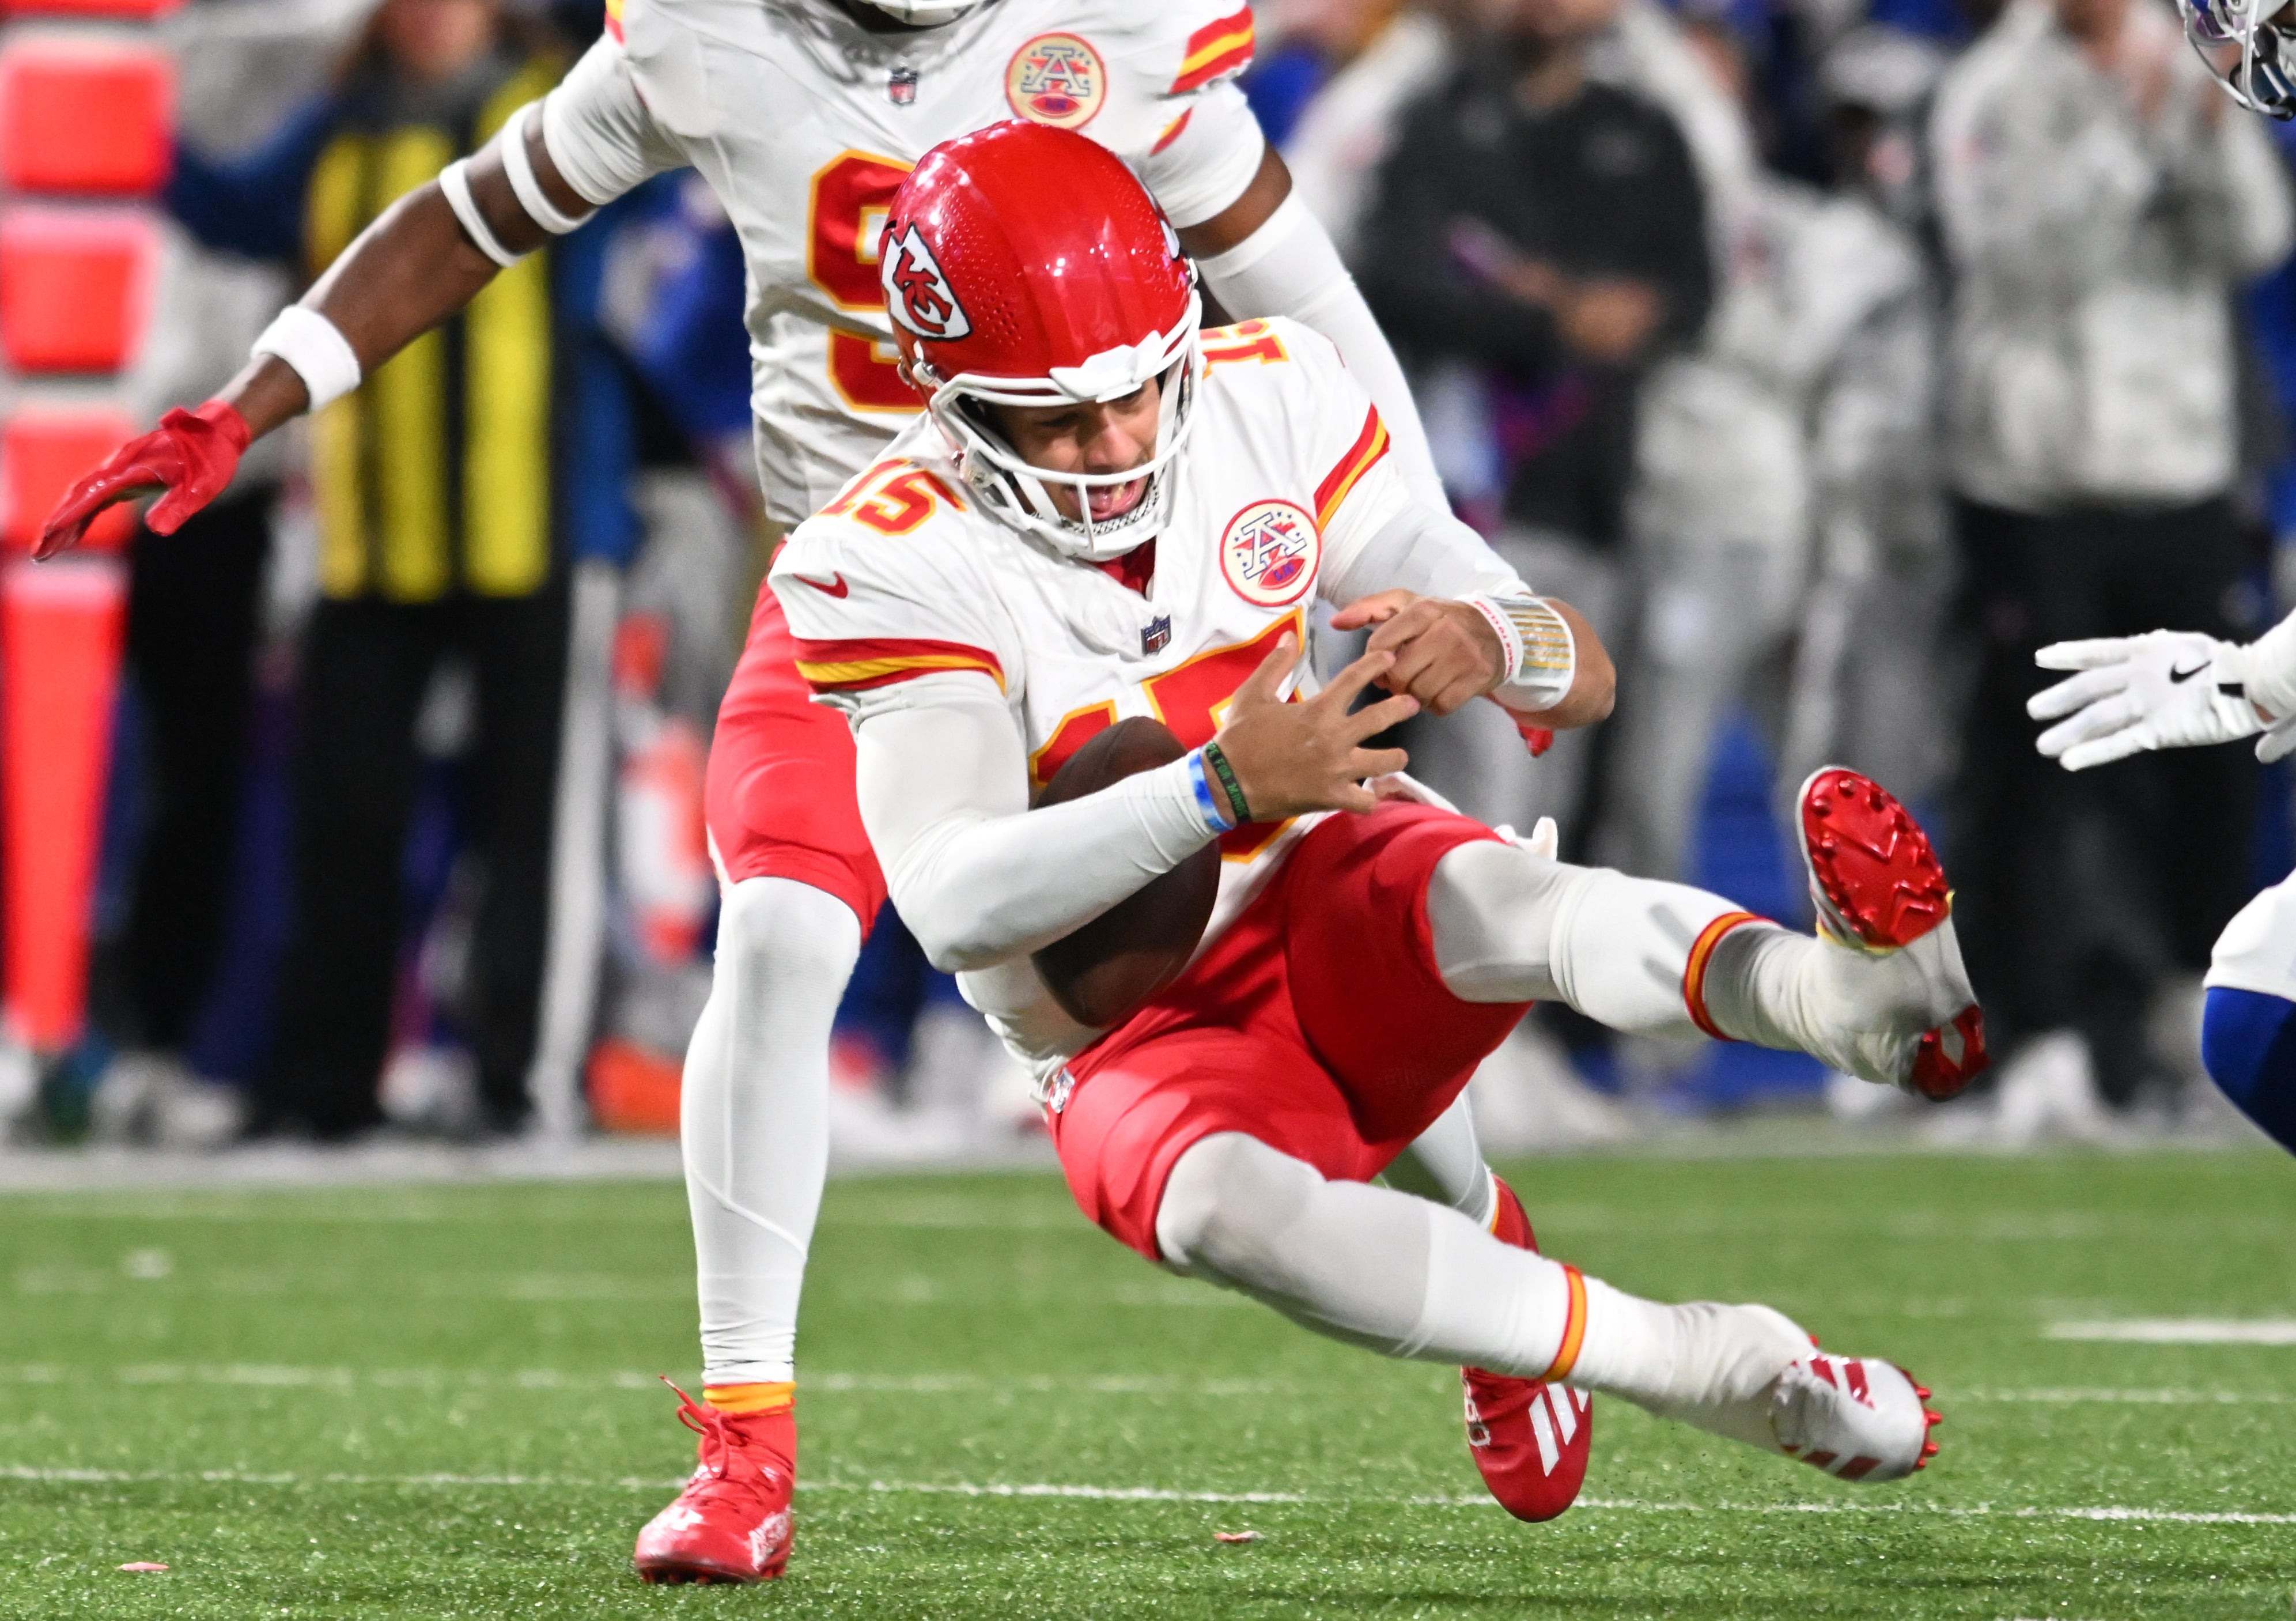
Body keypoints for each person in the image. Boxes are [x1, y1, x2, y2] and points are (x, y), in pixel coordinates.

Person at [36, 0, 1531, 1583]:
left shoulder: (1118, 29)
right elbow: (479, 210)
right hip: (870, 596)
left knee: (1294, 929)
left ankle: (1495, 1255)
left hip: (1122, 582)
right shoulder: (704, 35)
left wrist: (1463, 587)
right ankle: (745, 1443)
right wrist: (255, 396)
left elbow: (1306, 305)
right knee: (776, 940)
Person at [780, 122, 1976, 1521]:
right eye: (1055, 417)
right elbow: (950, 901)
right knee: (1218, 1212)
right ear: (950, 399)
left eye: (1137, 391)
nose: (1113, 443)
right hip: (1120, 1021)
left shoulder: (1264, 392)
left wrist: (1487, 635)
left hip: (1332, 877)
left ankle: (1837, 1003)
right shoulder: (884, 554)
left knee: (1489, 895)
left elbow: (1576, 670)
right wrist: (1212, 791)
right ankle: (1702, 1360)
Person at [146, 0, 607, 1138]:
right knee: (341, 822)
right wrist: (137, 100)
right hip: (369, 536)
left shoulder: (565, 107)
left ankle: (520, 1083)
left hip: (531, 527)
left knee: (529, 828)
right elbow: (229, 206)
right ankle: (323, 1083)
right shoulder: (335, 123)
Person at [1929, 0, 2294, 1115]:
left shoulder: (2192, 65)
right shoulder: (1993, 88)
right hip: (2040, 483)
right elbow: (2017, 262)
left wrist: (2199, 129)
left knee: (2212, 769)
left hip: (2177, 470)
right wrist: (2129, 134)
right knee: (2043, 765)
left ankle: (2174, 1015)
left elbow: (2255, 240)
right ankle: (2034, 1030)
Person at [1353, 0, 1712, 853]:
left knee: (1598, 786)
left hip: (1604, 485)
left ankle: (1560, 987)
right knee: (1488, 792)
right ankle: (1472, 984)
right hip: (1477, 491)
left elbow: (1694, 291)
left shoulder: (1643, 130)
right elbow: (1393, 281)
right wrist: (1554, 321)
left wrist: (1630, 314)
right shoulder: (1436, 121)